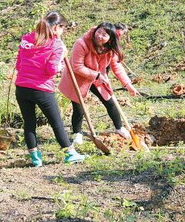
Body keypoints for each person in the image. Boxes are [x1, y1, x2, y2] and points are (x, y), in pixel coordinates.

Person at [14, 12, 85, 166]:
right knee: (56, 123)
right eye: (62, 28)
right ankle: (70, 153)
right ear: (55, 28)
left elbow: (18, 65)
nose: (62, 32)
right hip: (41, 89)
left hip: (21, 88)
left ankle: (35, 158)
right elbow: (52, 69)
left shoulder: (26, 38)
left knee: (29, 123)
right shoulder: (56, 44)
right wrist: (61, 62)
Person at [59, 23, 141, 145]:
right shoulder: (81, 43)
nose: (100, 36)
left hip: (98, 77)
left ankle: (119, 128)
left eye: (104, 35)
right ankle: (77, 133)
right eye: (99, 32)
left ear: (111, 38)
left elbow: (116, 66)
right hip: (78, 78)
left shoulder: (110, 48)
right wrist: (96, 75)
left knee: (109, 102)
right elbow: (77, 66)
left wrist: (128, 85)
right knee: (79, 108)